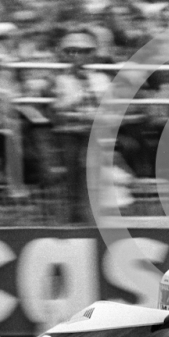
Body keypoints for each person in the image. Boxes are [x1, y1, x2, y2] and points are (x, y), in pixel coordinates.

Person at [51, 29, 111, 223]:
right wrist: (76, 100)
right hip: (68, 131)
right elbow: (57, 107)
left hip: (92, 132)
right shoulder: (61, 79)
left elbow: (107, 105)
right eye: (73, 52)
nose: (78, 56)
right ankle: (71, 216)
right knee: (71, 174)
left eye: (83, 52)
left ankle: (89, 214)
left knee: (89, 171)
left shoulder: (100, 78)